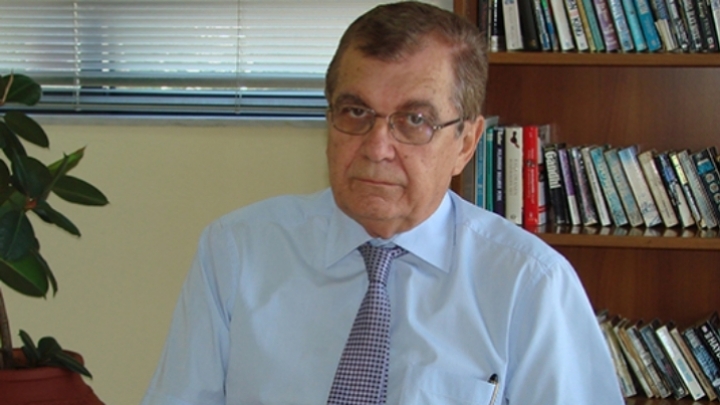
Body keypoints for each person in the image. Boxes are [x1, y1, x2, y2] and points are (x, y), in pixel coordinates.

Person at [141, 2, 624, 404]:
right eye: (356, 112)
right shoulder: (237, 252)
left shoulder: (530, 284)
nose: (376, 148)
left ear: (466, 143)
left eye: (414, 120)